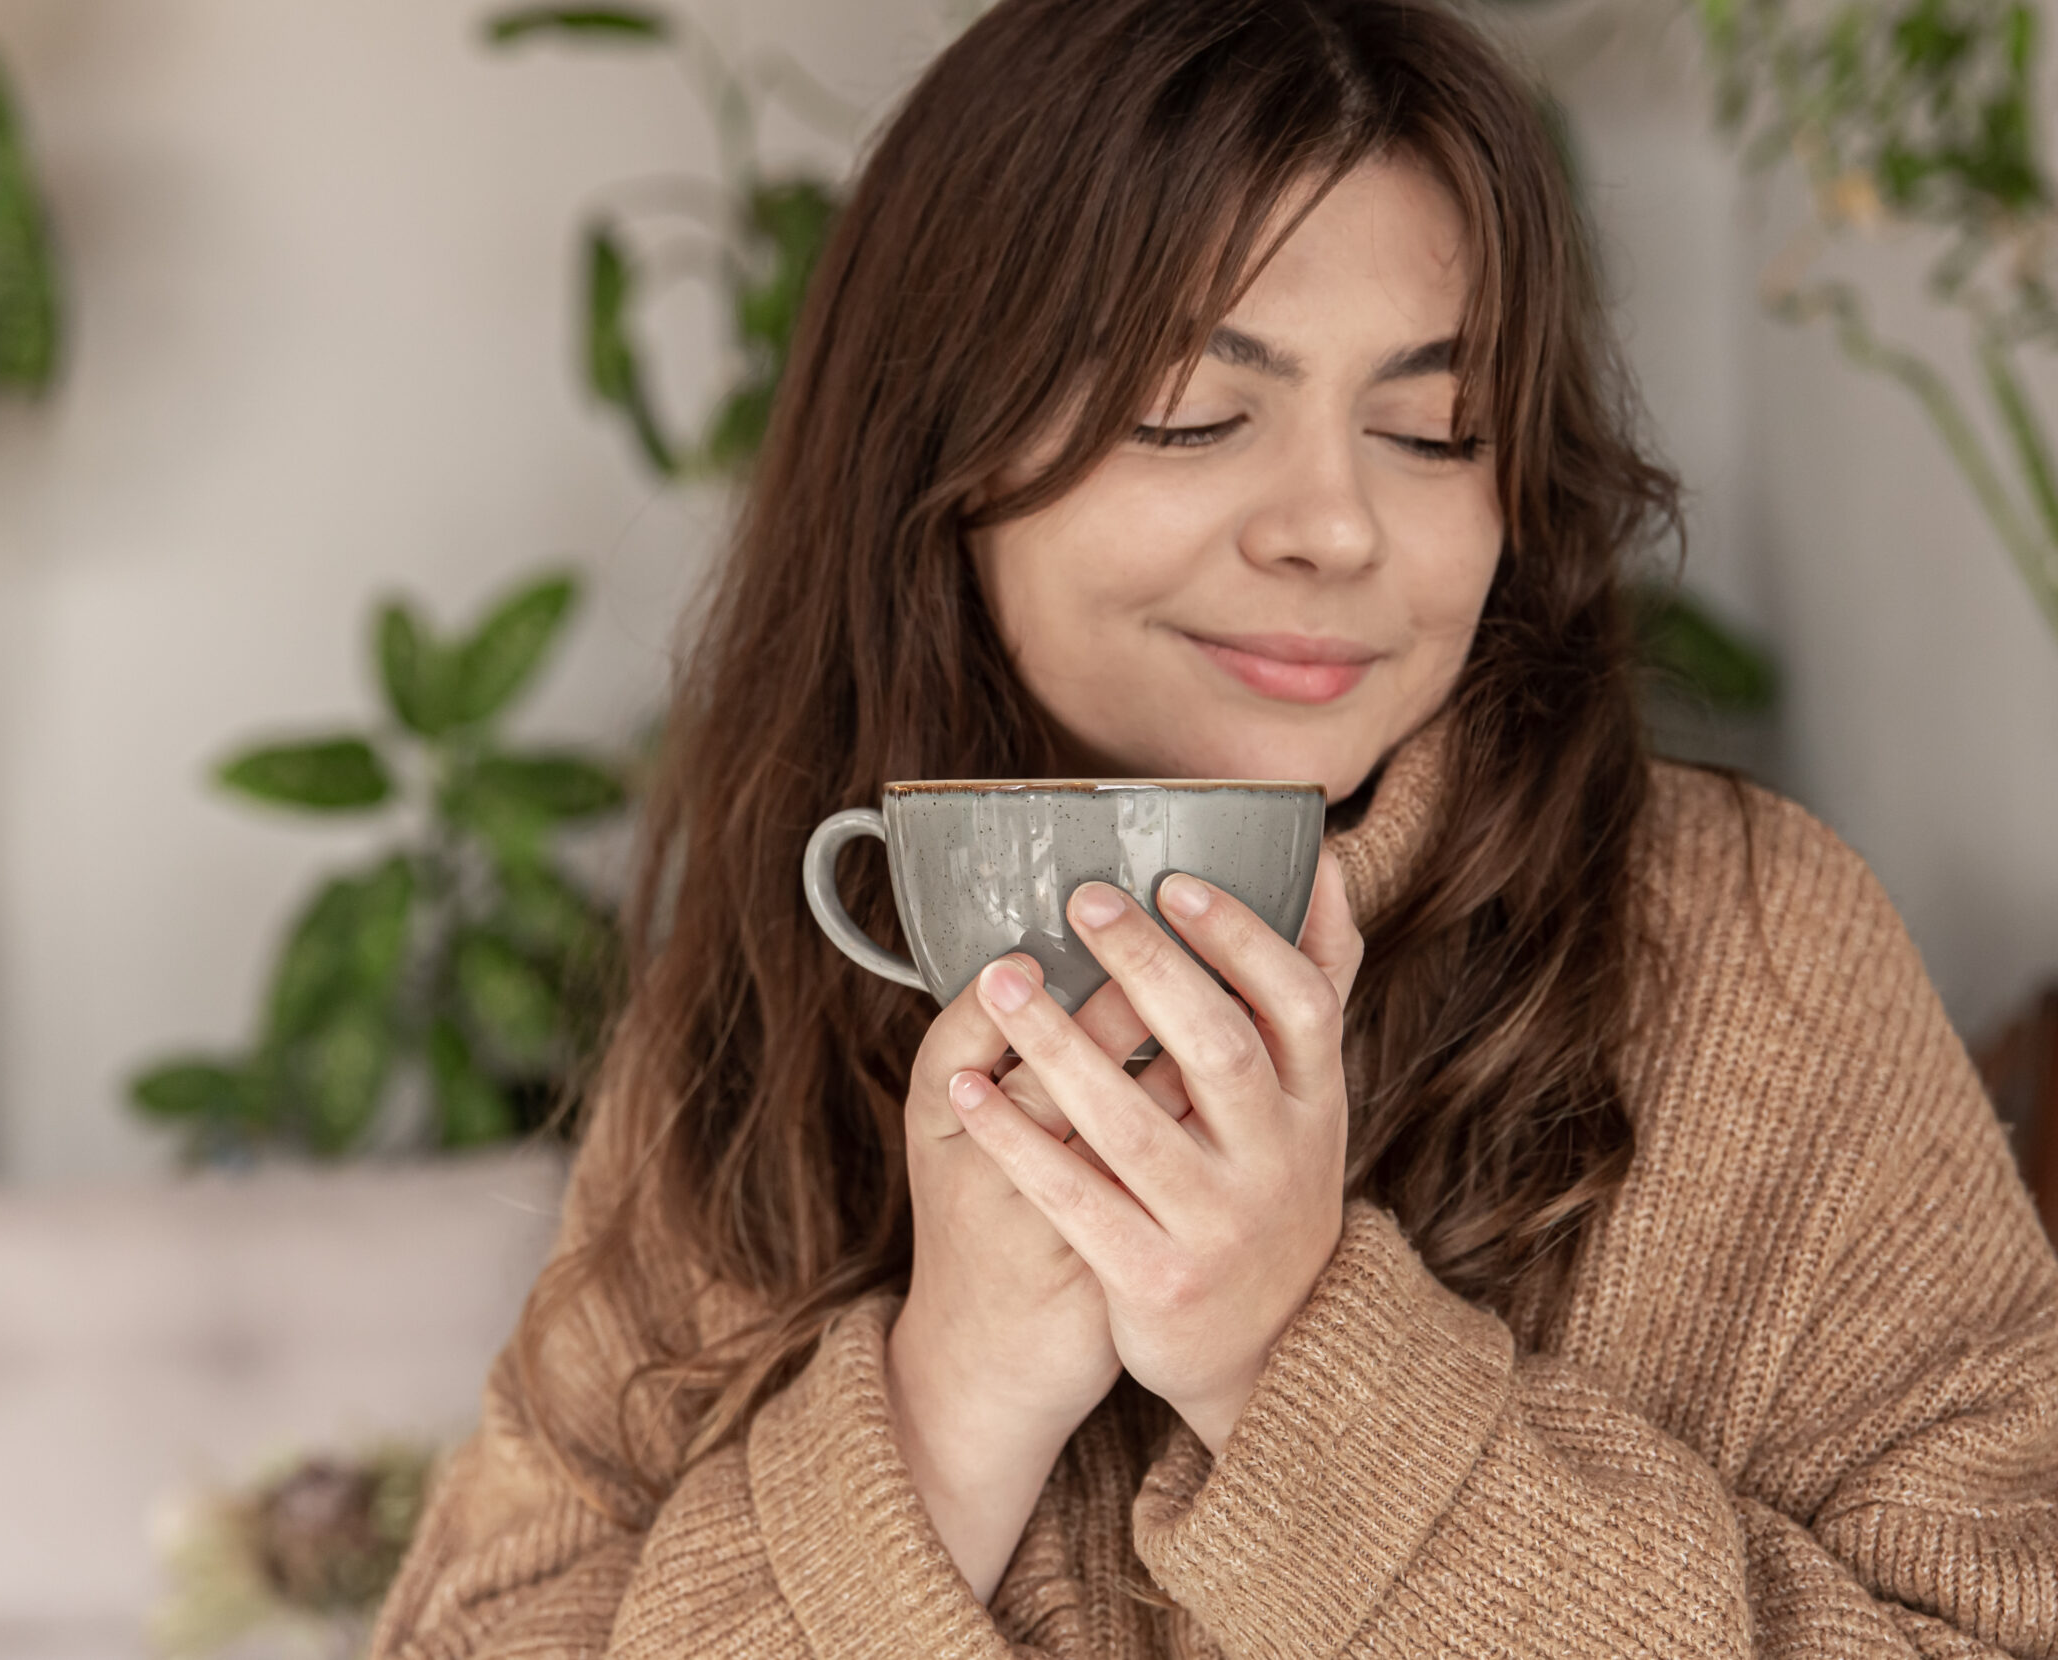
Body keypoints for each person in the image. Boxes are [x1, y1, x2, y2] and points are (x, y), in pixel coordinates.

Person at [376, 0, 2058, 1651]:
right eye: (1193, 408)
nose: (1335, 524)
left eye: (1429, 431)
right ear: (939, 456)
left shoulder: (1747, 941)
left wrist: (1303, 1372)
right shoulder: (767, 991)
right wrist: (942, 1411)